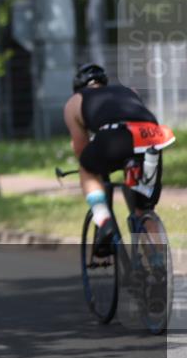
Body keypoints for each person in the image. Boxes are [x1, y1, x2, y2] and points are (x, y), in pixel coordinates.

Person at [63, 63, 175, 257]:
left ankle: (104, 221)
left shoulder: (75, 101)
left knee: (87, 168)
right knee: (143, 208)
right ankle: (158, 265)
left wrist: (95, 168)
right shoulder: (127, 91)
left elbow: (81, 148)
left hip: (115, 138)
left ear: (78, 88)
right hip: (152, 138)